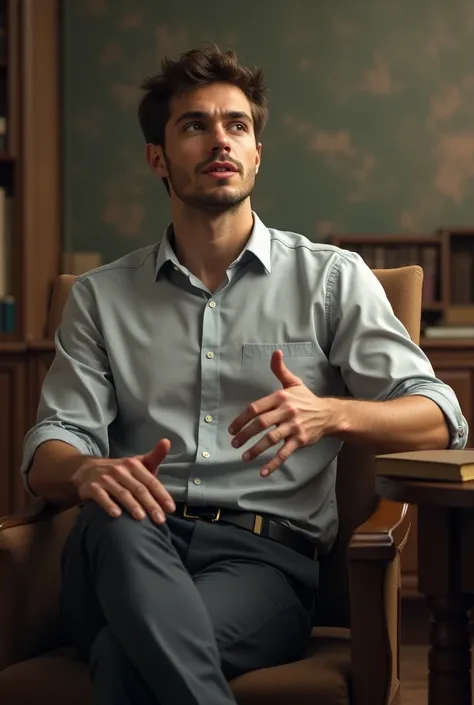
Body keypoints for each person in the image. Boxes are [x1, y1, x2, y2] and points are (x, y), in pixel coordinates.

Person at [21, 44, 468, 705]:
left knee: (125, 657)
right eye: (195, 125)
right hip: (129, 543)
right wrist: (85, 470)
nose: (220, 140)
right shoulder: (99, 297)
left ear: (258, 151)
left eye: (236, 124)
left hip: (263, 563)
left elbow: (440, 417)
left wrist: (330, 412)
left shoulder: (329, 279)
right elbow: (49, 445)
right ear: (158, 158)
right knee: (111, 515)